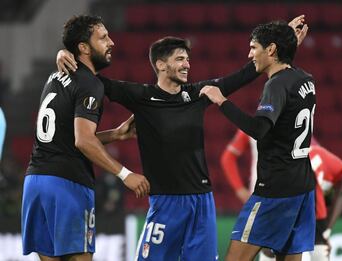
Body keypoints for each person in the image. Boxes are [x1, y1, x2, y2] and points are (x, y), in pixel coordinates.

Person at [57, 16, 308, 261]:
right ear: (161, 65)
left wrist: (284, 40)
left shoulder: (197, 94)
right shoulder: (140, 97)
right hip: (165, 203)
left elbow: (246, 72)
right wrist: (63, 55)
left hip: (202, 203)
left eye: (187, 59)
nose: (187, 64)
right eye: (179, 59)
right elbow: (91, 78)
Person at [21, 15, 150, 261]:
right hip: (67, 184)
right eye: (103, 38)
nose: (111, 42)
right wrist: (126, 174)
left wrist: (114, 134)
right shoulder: (90, 84)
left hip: (35, 182)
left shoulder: (54, 76)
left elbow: (68, 137)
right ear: (83, 47)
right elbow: (82, 141)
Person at [200, 20, 316, 261]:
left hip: (274, 191)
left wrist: (221, 100)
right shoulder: (305, 79)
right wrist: (288, 40)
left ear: (271, 50)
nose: (250, 54)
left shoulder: (275, 85)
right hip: (303, 187)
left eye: (254, 47)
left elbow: (259, 129)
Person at [222, 132, 342, 261]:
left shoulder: (262, 124)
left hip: (272, 197)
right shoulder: (305, 135)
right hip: (287, 201)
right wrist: (325, 232)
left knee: (267, 250)